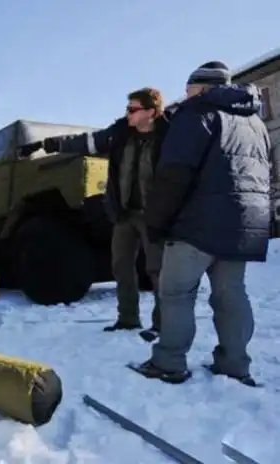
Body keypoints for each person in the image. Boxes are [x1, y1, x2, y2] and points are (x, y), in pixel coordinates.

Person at [129, 61, 273, 386]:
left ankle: (169, 362)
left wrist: (156, 222)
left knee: (176, 293)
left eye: (190, 88)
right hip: (243, 225)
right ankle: (235, 365)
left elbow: (173, 176)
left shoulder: (196, 114)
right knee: (231, 294)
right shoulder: (256, 123)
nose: (186, 94)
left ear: (204, 88)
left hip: (197, 224)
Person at [17, 88, 170, 340]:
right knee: (121, 267)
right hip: (124, 214)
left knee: (158, 270)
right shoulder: (120, 133)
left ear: (151, 112)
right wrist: (47, 144)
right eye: (127, 108)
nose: (128, 113)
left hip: (153, 215)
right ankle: (128, 319)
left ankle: (162, 324)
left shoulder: (170, 137)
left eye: (133, 109)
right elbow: (85, 142)